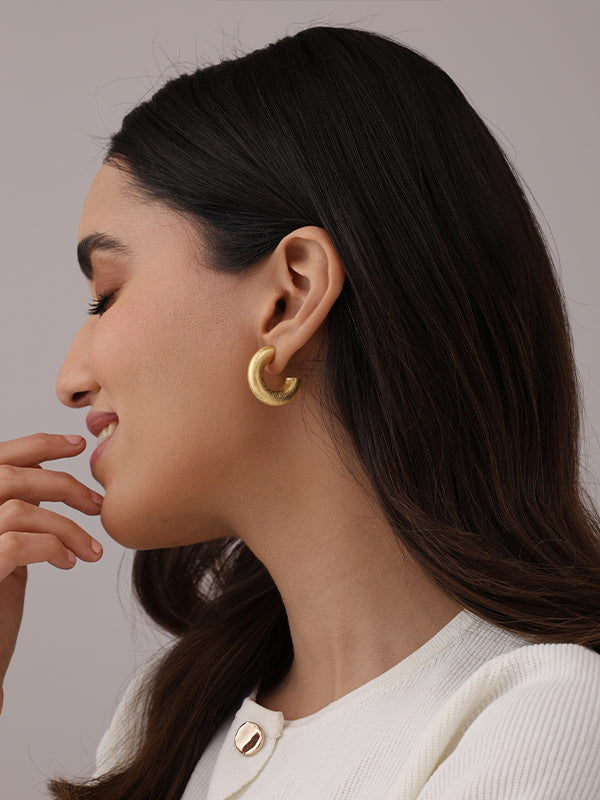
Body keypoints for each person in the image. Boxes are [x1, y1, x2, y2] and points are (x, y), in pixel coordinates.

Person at [1, 22, 599, 800]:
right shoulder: (168, 723)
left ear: (290, 298)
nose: (70, 381)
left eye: (106, 295)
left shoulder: (547, 717)